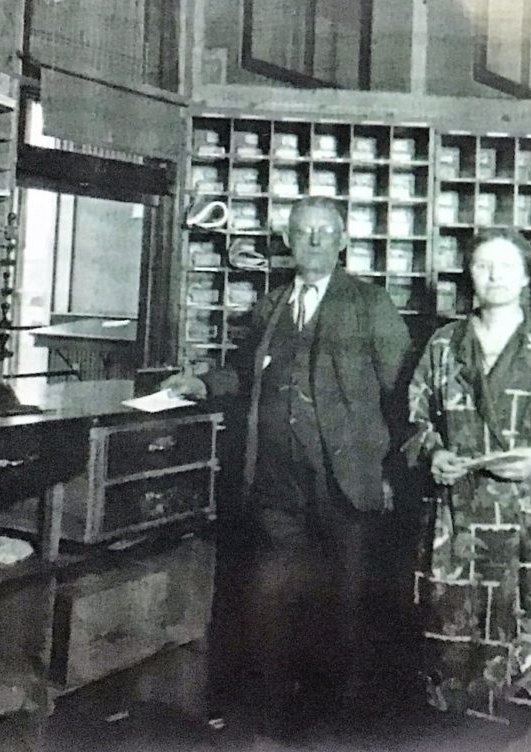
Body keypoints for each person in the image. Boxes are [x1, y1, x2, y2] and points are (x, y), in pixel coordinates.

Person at [165, 196, 413, 736]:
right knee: (274, 598)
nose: (316, 241)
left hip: (345, 482)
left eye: (327, 232)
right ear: (289, 242)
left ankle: (340, 726)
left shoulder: (371, 305)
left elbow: (403, 397)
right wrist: (201, 384)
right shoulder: (272, 306)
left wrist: (393, 472)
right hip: (276, 483)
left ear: (343, 242)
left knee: (345, 603)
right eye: (305, 233)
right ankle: (276, 718)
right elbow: (245, 376)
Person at [405, 228, 531, 723]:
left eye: (506, 266)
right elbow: (414, 421)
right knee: (456, 655)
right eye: (482, 265)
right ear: (469, 273)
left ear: (526, 275)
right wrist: (433, 454)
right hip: (461, 523)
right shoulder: (445, 344)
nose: (494, 276)